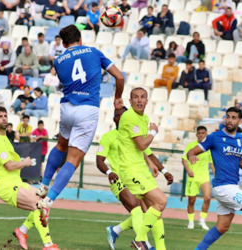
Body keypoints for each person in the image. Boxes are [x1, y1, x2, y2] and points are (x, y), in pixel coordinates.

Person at [36, 25, 125, 227]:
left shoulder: (58, 61)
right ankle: (48, 201)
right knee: (73, 159)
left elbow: (66, 81)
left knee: (60, 145)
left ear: (64, 43)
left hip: (67, 107)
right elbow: (119, 77)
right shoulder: (94, 52)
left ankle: (43, 185)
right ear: (81, 38)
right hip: (87, 109)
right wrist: (117, 97)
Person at [0, 107, 60, 250]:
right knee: (40, 205)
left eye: (5, 115)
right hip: (7, 186)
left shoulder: (4, 138)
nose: (4, 118)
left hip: (16, 183)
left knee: (42, 202)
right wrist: (24, 163)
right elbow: (8, 165)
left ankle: (22, 231)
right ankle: (48, 245)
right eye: (0, 116)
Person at [116, 87, 173, 249]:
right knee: (162, 200)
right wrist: (153, 132)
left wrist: (151, 164)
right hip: (131, 170)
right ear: (130, 101)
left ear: (147, 101)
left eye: (142, 97)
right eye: (136, 97)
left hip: (141, 169)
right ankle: (140, 239)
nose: (139, 100)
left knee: (156, 211)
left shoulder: (145, 118)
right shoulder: (129, 117)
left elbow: (141, 149)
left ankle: (161, 248)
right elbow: (141, 144)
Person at [97, 106, 161, 250]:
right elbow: (99, 160)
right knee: (137, 210)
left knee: (146, 213)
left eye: (123, 114)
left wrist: (162, 169)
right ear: (114, 119)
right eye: (117, 115)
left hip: (134, 177)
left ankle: (115, 231)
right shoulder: (108, 137)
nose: (121, 117)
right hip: (118, 179)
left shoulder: (133, 135)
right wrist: (109, 173)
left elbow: (146, 153)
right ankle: (145, 245)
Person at [188, 107, 242, 250]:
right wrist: (191, 156)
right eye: (228, 117)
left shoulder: (241, 140)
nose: (229, 120)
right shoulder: (214, 137)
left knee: (222, 226)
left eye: (233, 118)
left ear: (239, 121)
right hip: (223, 187)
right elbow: (192, 151)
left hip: (233, 187)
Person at [182, 126, 214, 231]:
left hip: (204, 176)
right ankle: (191, 221)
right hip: (192, 177)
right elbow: (184, 159)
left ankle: (202, 220)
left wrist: (216, 176)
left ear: (206, 134)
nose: (201, 135)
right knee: (192, 200)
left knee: (208, 198)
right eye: (199, 133)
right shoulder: (191, 146)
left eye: (203, 133)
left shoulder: (208, 147)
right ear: (196, 134)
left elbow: (211, 163)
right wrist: (188, 170)